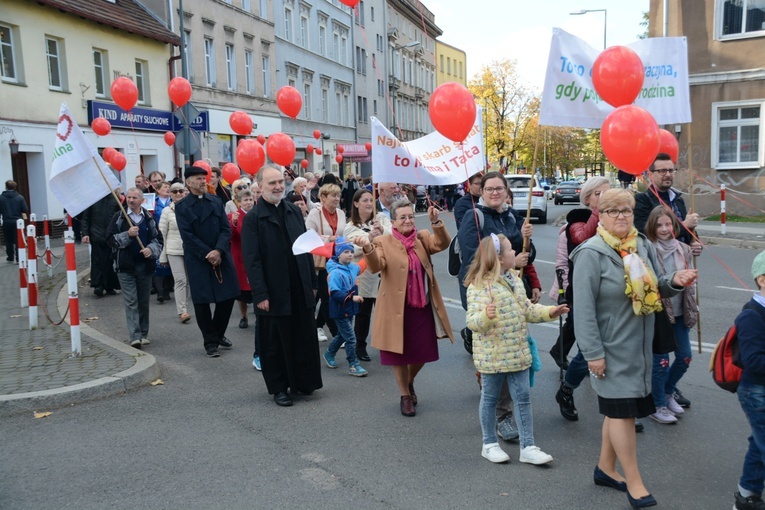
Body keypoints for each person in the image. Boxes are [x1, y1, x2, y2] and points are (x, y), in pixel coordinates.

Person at [571, 188, 697, 508]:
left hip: (640, 347)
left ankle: (605, 468)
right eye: (613, 212)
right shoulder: (591, 253)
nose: (622, 217)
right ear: (601, 214)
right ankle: (635, 482)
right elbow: (583, 311)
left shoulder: (640, 244)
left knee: (618, 411)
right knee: (622, 414)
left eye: (626, 211)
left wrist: (675, 281)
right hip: (610, 349)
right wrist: (593, 354)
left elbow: (655, 285)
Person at [465, 234, 567, 465]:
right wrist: (485, 316)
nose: (516, 253)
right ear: (499, 257)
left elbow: (527, 310)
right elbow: (472, 322)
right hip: (492, 355)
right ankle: (489, 444)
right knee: (489, 398)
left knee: (523, 398)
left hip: (518, 351)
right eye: (511, 250)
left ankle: (528, 446)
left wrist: (550, 313)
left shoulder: (515, 279)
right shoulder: (479, 285)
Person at [457, 171, 539, 441]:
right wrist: (509, 264)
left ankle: (498, 403)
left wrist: (527, 239)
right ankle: (501, 414)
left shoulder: (513, 216)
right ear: (481, 192)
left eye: (499, 189)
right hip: (486, 291)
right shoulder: (475, 217)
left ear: (506, 191)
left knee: (512, 348)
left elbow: (525, 255)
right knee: (498, 352)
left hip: (513, 287)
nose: (494, 193)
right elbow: (473, 259)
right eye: (489, 188)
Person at [357, 200, 453, 417]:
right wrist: (368, 247)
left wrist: (436, 222)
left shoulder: (422, 237)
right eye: (403, 217)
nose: (408, 220)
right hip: (394, 308)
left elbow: (442, 243)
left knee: (423, 352)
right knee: (398, 355)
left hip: (421, 306)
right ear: (393, 222)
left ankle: (409, 381)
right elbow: (375, 267)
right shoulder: (383, 241)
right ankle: (405, 396)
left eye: (410, 216)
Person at [242, 164, 323, 407]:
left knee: (302, 335)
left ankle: (303, 382)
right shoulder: (253, 219)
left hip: (299, 284)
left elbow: (305, 249)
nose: (278, 186)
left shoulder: (292, 210)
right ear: (260, 187)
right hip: (273, 289)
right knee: (275, 341)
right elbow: (252, 260)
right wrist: (260, 293)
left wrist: (312, 282)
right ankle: (279, 388)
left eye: (280, 181)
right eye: (271, 183)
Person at [634, 153, 701, 409]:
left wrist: (694, 244)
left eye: (671, 170)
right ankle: (658, 399)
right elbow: (644, 234)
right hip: (660, 289)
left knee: (684, 355)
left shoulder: (680, 199)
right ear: (651, 174)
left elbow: (689, 236)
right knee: (660, 356)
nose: (667, 174)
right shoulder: (642, 200)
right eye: (661, 170)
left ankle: (667, 391)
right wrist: (683, 225)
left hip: (681, 281)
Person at [551, 176, 612, 422]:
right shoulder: (576, 221)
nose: (605, 199)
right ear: (587, 198)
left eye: (609, 193)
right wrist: (564, 289)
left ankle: (621, 404)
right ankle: (567, 389)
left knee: (613, 347)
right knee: (589, 349)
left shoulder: (617, 218)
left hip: (613, 292)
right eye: (599, 194)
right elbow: (581, 239)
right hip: (583, 292)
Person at [175, 165, 240, 358]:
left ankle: (218, 334)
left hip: (220, 255)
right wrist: (208, 253)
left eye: (204, 178)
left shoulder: (215, 200)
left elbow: (225, 228)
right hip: (198, 258)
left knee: (228, 296)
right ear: (188, 182)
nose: (203, 181)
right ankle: (210, 342)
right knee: (202, 302)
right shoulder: (182, 206)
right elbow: (187, 236)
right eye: (198, 178)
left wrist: (219, 250)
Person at [643, 206, 698, 424]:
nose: (664, 229)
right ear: (652, 227)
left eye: (668, 224)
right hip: (660, 313)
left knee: (685, 357)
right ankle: (657, 405)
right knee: (661, 361)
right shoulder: (647, 249)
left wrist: (692, 305)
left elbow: (690, 283)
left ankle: (667, 391)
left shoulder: (683, 249)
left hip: (680, 312)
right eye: (659, 225)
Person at [106, 188, 162, 349]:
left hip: (145, 266)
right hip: (125, 266)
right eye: (129, 197)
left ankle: (144, 333)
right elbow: (109, 239)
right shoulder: (119, 218)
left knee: (143, 301)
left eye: (134, 197)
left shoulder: (149, 218)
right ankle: (135, 336)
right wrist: (127, 234)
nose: (130, 200)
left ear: (142, 200)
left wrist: (150, 250)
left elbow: (158, 239)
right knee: (131, 300)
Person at [732, 251, 765, 510]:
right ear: (762, 279)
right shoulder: (751, 315)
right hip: (756, 392)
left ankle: (746, 496)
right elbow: (753, 361)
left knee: (758, 441)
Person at [344, 188, 391, 361]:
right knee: (363, 313)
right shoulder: (350, 226)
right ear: (356, 204)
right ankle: (360, 346)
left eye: (371, 200)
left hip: (384, 270)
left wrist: (382, 231)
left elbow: (394, 235)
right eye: (365, 200)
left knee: (386, 310)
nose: (369, 204)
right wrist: (370, 238)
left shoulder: (382, 219)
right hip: (364, 274)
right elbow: (352, 248)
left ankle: (387, 344)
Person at [322, 237, 369, 377]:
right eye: (346, 252)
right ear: (338, 254)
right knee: (351, 338)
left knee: (343, 335)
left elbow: (361, 267)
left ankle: (329, 353)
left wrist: (369, 252)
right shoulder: (335, 273)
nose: (350, 254)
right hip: (340, 310)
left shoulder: (351, 267)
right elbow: (335, 293)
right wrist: (351, 298)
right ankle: (353, 364)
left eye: (351, 251)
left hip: (350, 309)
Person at [305, 183, 346, 343]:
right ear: (322, 197)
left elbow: (344, 232)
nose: (337, 198)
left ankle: (317, 325)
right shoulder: (315, 214)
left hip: (338, 260)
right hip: (322, 261)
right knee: (327, 296)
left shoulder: (341, 213)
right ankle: (337, 333)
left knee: (329, 295)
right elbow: (308, 235)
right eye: (333, 195)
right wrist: (328, 238)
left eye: (338, 195)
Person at [158, 182, 191, 323]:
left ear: (185, 192)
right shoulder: (167, 211)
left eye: (180, 191)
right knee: (180, 280)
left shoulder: (191, 209)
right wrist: (163, 254)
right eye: (174, 191)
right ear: (170, 194)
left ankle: (185, 307)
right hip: (173, 250)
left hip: (189, 249)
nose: (178, 193)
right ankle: (182, 311)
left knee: (188, 281)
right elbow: (162, 235)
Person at [80, 192, 121, 295]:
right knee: (97, 261)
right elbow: (85, 218)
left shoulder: (115, 199)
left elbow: (119, 217)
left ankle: (110, 286)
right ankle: (98, 285)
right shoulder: (92, 199)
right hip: (96, 234)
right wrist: (85, 233)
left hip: (110, 235)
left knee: (110, 262)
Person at [229, 189, 255, 329]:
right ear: (238, 202)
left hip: (256, 256)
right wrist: (232, 223)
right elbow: (230, 236)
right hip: (239, 256)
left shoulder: (257, 214)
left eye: (250, 199)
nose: (249, 202)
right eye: (245, 200)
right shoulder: (233, 216)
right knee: (242, 290)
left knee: (256, 286)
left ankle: (259, 314)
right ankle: (243, 316)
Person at [152, 181, 173, 304]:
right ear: (158, 190)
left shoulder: (173, 202)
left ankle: (166, 290)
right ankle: (159, 292)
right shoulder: (152, 202)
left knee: (170, 264)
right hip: (157, 235)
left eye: (168, 187)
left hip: (170, 235)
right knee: (158, 263)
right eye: (165, 187)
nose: (167, 189)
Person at [0, 180, 29, 263]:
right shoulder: (20, 197)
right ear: (15, 187)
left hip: (6, 221)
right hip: (18, 221)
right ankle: (19, 258)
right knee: (18, 239)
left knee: (8, 239)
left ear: (6, 187)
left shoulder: (1, 198)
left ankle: (10, 256)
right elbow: (25, 209)